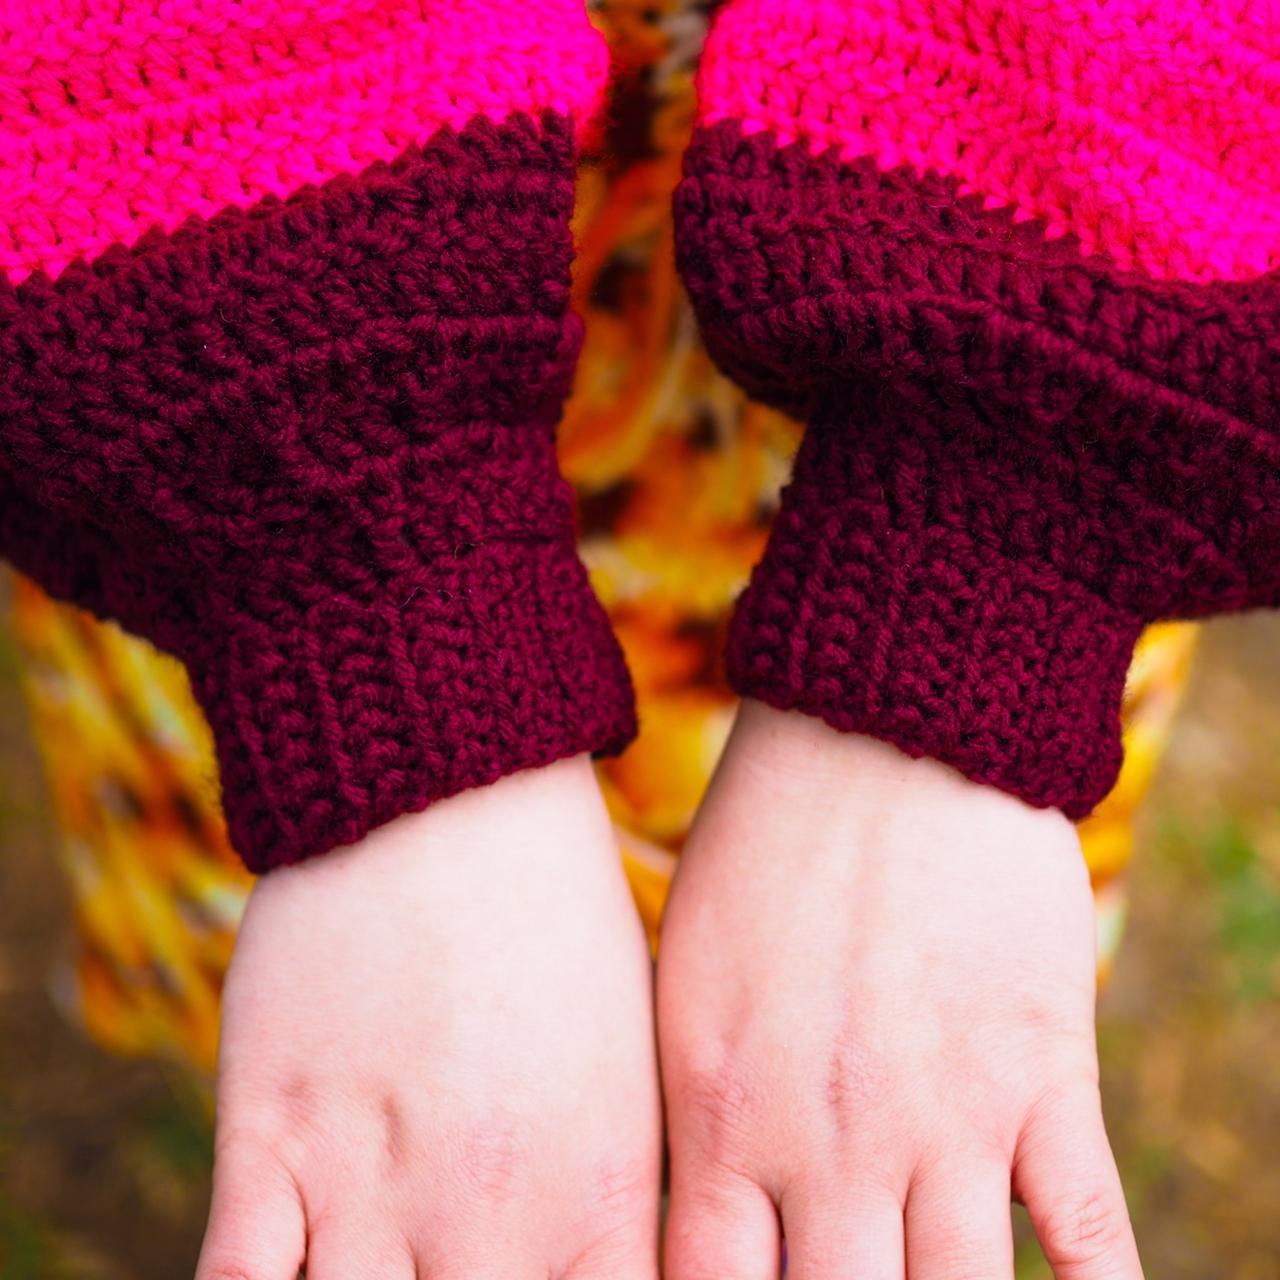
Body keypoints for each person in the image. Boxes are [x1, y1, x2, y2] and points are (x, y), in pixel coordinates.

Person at [0, 1, 1275, 1277]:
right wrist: (359, 593)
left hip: (1118, 192)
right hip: (210, 309)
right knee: (347, 1023)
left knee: (906, 1020)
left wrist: (988, 576)